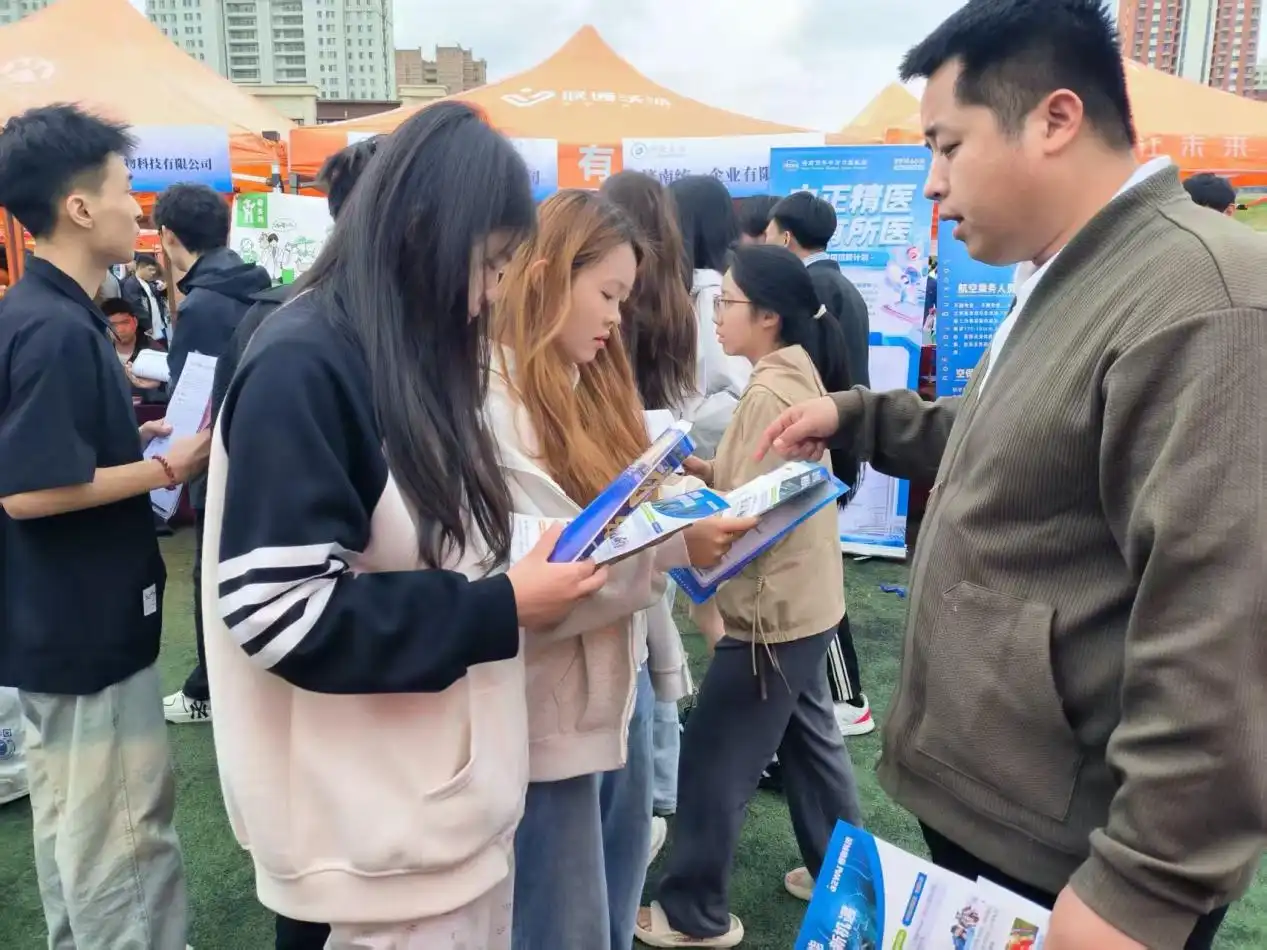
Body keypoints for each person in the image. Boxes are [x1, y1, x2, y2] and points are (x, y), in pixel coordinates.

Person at [756, 3, 1267, 949]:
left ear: (1054, 119)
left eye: (947, 146)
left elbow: (1224, 623)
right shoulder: (1072, 274)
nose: (931, 182)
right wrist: (858, 416)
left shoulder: (1207, 299)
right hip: (1000, 804)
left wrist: (1142, 888)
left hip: (1078, 856)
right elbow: (1010, 435)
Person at [202, 101, 610, 950]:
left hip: (427, 818)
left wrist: (535, 561)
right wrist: (501, 606)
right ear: (423, 228)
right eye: (489, 264)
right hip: (365, 849)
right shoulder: (306, 362)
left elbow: (435, 541)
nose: (491, 295)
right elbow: (277, 612)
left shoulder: (400, 352)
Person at [491, 190, 756, 950]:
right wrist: (672, 543)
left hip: (616, 681)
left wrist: (675, 514)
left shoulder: (586, 381)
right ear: (543, 276)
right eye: (606, 295)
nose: (616, 319)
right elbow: (539, 565)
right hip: (546, 706)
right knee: (557, 914)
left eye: (623, 298)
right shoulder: (491, 400)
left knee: (607, 890)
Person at [0, 103, 209, 950]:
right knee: (123, 834)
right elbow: (29, 491)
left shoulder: (45, 311)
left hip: (58, 619)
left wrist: (134, 434)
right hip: (85, 625)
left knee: (77, 827)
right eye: (127, 190)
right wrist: (167, 468)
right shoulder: (53, 326)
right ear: (79, 207)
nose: (139, 209)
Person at [637, 244, 863, 949]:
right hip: (806, 602)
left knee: (714, 759)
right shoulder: (790, 372)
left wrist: (674, 495)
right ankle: (843, 876)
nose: (715, 316)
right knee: (811, 745)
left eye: (727, 303)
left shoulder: (767, 390)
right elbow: (755, 484)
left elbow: (742, 519)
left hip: (770, 613)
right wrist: (699, 466)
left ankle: (692, 914)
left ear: (767, 316)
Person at [601, 169, 698, 831]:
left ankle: (653, 791)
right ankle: (661, 786)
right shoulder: (678, 303)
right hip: (657, 465)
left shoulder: (624, 306)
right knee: (649, 632)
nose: (612, 314)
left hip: (625, 477)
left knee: (639, 639)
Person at [154, 182, 270, 726]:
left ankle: (206, 690)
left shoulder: (201, 304)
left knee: (212, 577)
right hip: (259, 451)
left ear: (168, 236)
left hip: (214, 459)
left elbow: (191, 398)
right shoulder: (259, 286)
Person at [765, 190, 874, 737]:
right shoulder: (842, 285)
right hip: (835, 439)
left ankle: (848, 697)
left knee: (817, 578)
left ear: (786, 236)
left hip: (821, 443)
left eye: (769, 233)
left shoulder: (816, 290)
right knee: (816, 571)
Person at [669, 174, 750, 459]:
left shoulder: (712, 294)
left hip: (702, 459)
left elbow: (738, 394)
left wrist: (677, 438)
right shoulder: (700, 289)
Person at [102, 296, 164, 403]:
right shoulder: (101, 353)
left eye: (125, 322)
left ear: (135, 322)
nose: (120, 329)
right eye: (113, 325)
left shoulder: (155, 352)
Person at [122, 251, 170, 342]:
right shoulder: (131, 284)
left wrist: (163, 290)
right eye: (150, 269)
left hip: (159, 326)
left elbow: (156, 298)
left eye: (154, 270)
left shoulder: (148, 283)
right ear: (141, 267)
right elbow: (135, 306)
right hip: (148, 330)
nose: (153, 273)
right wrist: (147, 325)